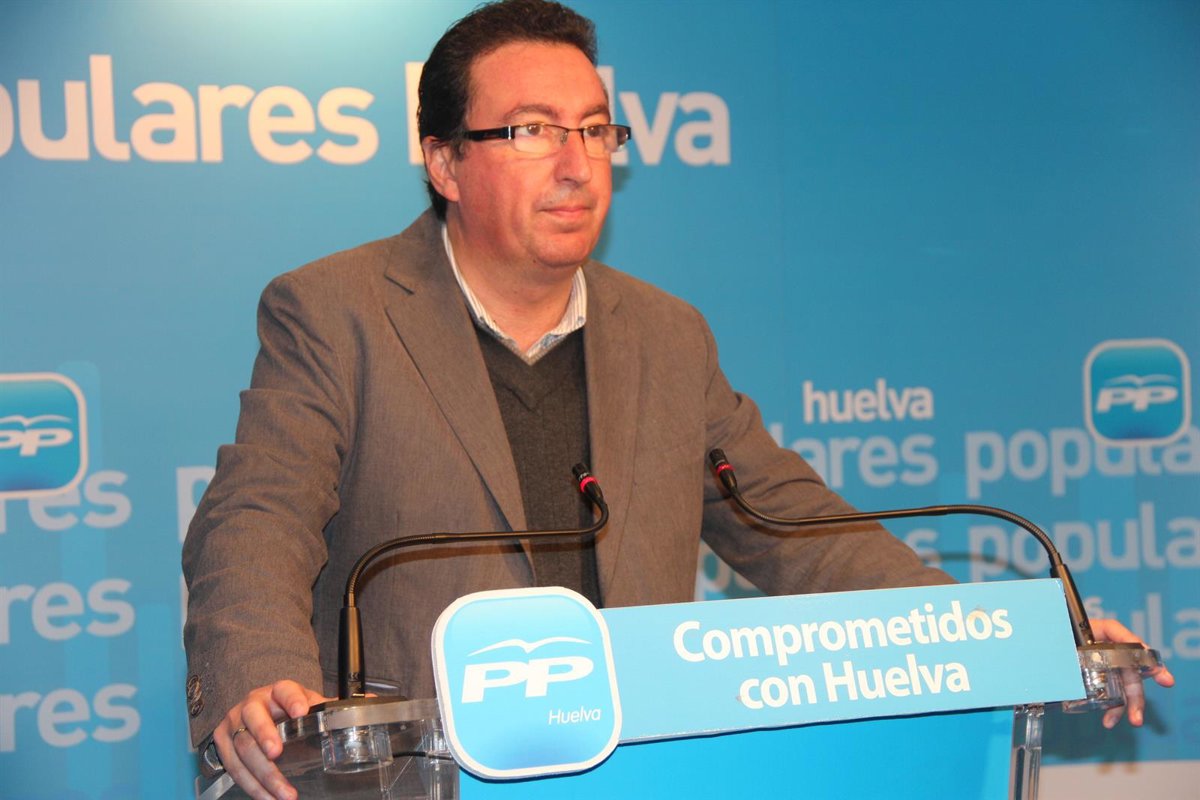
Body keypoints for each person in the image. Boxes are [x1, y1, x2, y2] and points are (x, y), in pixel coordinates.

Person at [181, 2, 1174, 798]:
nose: (577, 163)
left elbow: (797, 530)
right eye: (531, 131)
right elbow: (257, 514)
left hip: (641, 775)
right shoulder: (339, 312)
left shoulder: (664, 335)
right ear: (445, 162)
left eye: (595, 129)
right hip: (423, 778)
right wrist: (260, 670)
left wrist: (1018, 641)